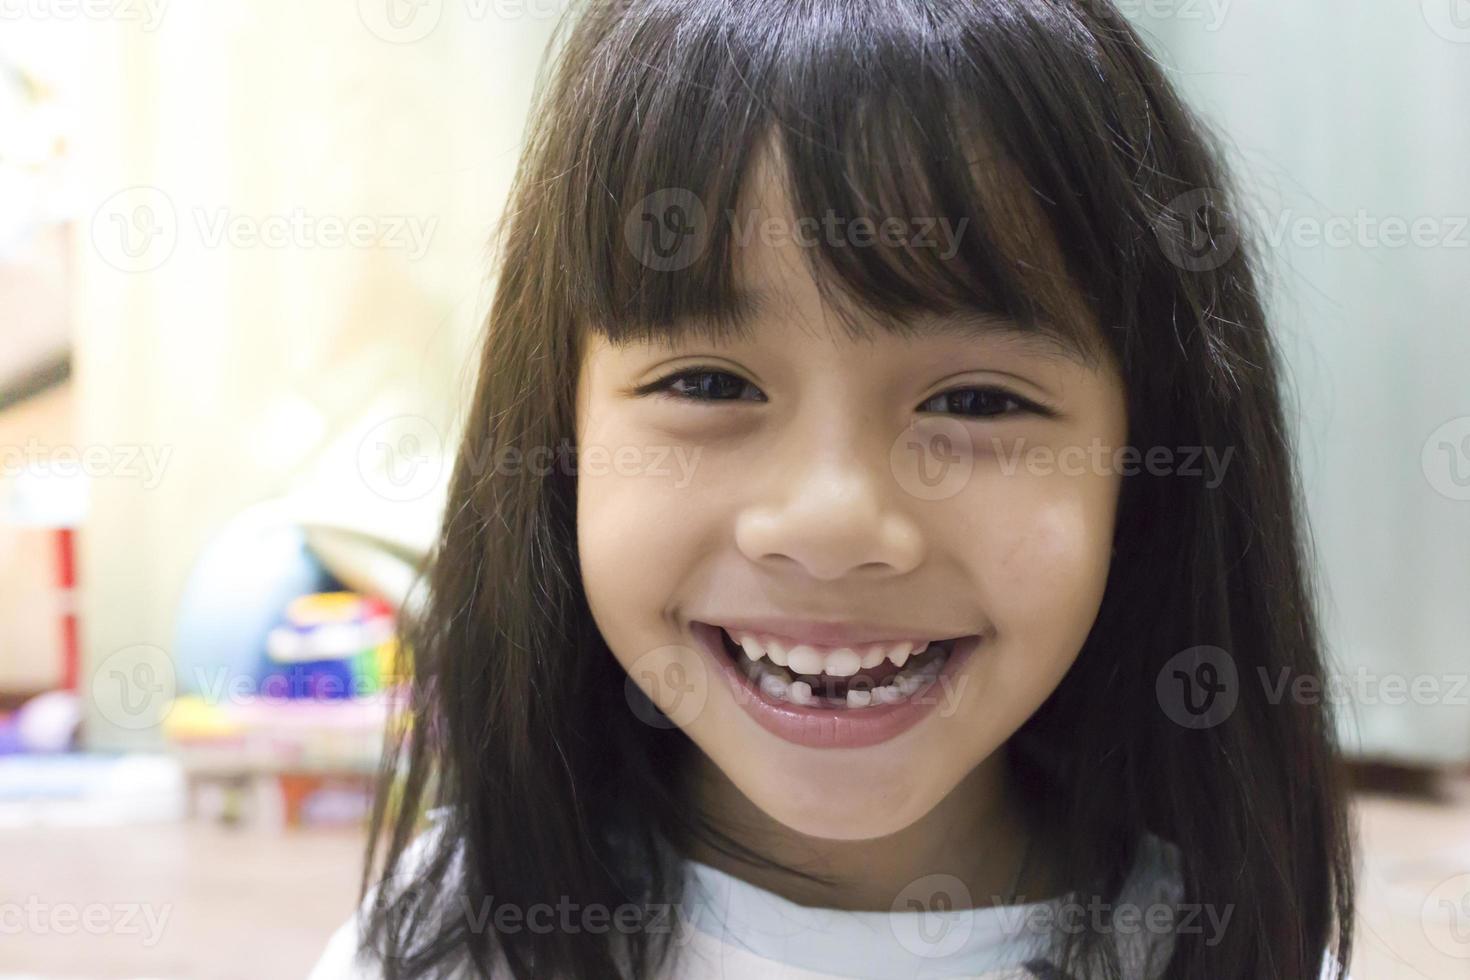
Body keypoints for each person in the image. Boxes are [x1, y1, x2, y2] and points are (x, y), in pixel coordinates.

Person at [312, 0, 1355, 976]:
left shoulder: (1223, 945)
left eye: (978, 403)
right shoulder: (453, 937)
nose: (830, 522)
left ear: (1146, 458)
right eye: (709, 383)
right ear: (559, 432)